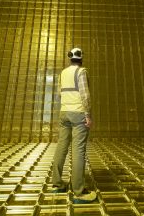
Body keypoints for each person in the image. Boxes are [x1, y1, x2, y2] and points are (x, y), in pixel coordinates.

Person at [51, 47, 97, 204]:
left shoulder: (63, 73)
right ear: (81, 58)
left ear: (70, 58)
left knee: (61, 146)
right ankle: (79, 191)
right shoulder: (82, 72)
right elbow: (85, 95)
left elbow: (59, 93)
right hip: (78, 113)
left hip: (64, 113)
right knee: (78, 150)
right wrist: (87, 115)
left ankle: (57, 184)